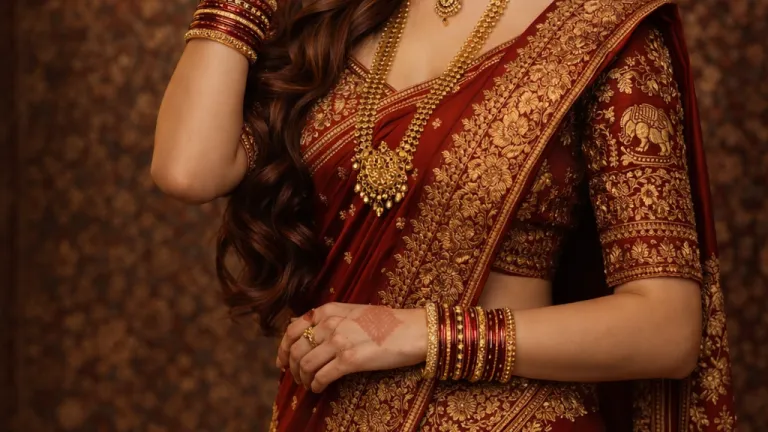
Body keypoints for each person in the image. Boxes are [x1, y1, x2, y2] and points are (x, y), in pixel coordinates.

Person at [152, 0, 736, 430]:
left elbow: (667, 328)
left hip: (510, 416)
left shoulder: (601, 32)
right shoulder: (333, 28)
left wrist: (420, 333)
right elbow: (188, 170)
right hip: (325, 413)